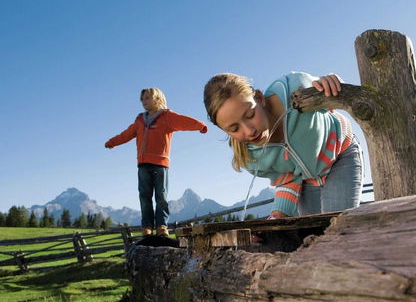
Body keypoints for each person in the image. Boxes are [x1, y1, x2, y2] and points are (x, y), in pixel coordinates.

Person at [204, 71, 363, 219]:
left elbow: (339, 98)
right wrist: (276, 216)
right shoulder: (251, 158)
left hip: (341, 157)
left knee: (339, 227)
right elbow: (288, 180)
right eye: (234, 128)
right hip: (306, 179)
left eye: (250, 115)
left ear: (259, 98)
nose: (250, 131)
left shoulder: (294, 87)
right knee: (316, 234)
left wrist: (333, 82)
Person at [105, 88, 208, 236]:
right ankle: (147, 227)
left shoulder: (167, 116)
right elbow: (126, 134)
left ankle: (161, 226)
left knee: (161, 196)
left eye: (147, 98)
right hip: (142, 164)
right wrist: (112, 142)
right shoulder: (140, 120)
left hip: (160, 164)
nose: (144, 102)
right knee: (145, 197)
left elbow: (184, 121)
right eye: (142, 99)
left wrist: (200, 125)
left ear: (157, 99)